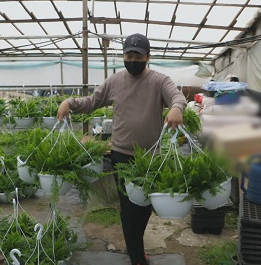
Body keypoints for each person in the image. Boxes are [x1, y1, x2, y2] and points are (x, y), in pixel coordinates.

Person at [57, 33, 187, 265]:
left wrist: (177, 107)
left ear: (148, 57)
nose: (132, 59)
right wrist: (69, 103)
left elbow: (177, 96)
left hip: (149, 158)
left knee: (145, 206)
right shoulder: (114, 81)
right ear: (123, 55)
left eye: (138, 55)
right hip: (122, 155)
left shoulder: (159, 81)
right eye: (128, 55)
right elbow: (92, 101)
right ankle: (137, 256)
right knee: (128, 208)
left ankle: (135, 246)